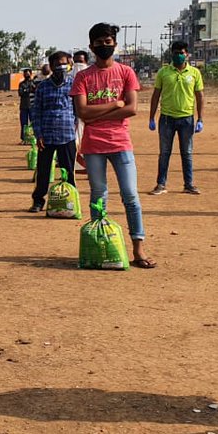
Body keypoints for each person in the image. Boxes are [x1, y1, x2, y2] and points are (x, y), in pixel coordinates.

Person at [71, 23, 155, 268]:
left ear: (115, 44)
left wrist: (97, 114)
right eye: (99, 43)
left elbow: (131, 108)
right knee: (99, 196)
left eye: (108, 42)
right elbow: (82, 111)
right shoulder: (83, 76)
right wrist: (114, 106)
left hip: (120, 143)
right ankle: (100, 245)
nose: (104, 46)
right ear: (91, 46)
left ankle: (138, 249)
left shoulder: (126, 72)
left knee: (131, 196)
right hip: (93, 144)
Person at [149, 41, 205, 195]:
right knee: (164, 153)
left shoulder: (194, 73)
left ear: (187, 54)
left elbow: (199, 96)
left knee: (187, 152)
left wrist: (200, 119)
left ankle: (189, 184)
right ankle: (161, 184)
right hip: (166, 119)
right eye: (175, 53)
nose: (178, 55)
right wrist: (151, 117)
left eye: (181, 52)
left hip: (187, 118)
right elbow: (156, 95)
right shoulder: (163, 72)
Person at [28, 52, 76, 212]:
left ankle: (70, 201)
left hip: (67, 134)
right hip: (46, 136)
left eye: (64, 64)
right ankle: (38, 201)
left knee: (68, 171)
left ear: (69, 65)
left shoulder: (74, 85)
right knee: (43, 170)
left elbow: (79, 110)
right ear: (52, 66)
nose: (61, 67)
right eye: (58, 64)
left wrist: (78, 130)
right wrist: (38, 134)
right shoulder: (42, 87)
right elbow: (35, 112)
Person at [17, 68, 36, 145]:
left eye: (28, 73)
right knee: (24, 124)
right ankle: (24, 139)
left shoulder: (34, 83)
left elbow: (35, 91)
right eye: (25, 73)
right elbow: (20, 93)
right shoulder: (21, 84)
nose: (27, 75)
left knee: (33, 123)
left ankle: (34, 138)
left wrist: (27, 90)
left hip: (32, 106)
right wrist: (28, 90)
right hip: (23, 106)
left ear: (31, 74)